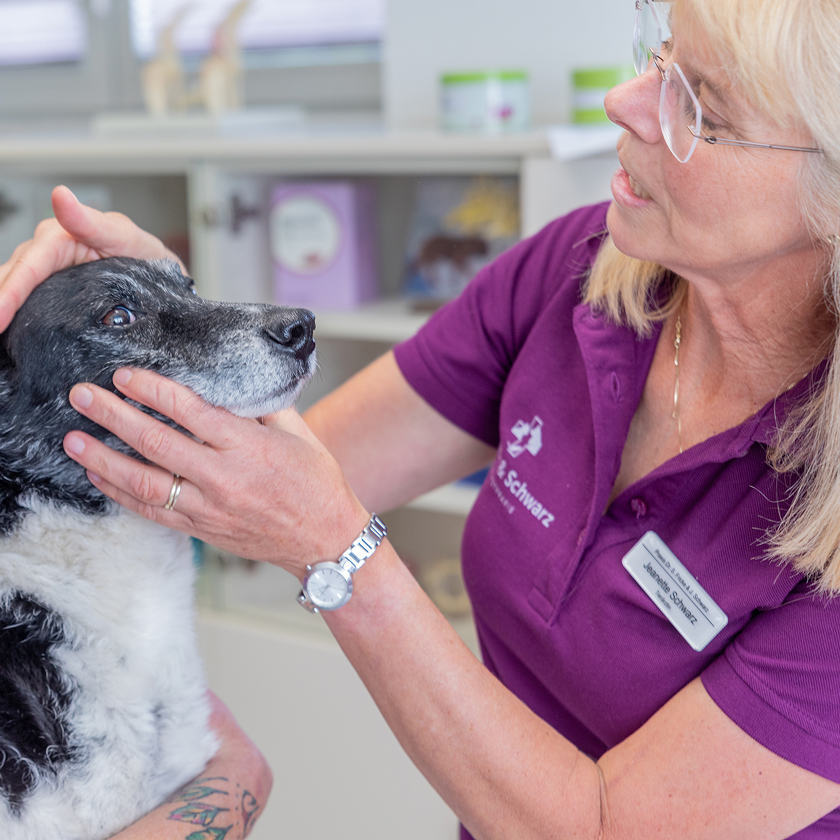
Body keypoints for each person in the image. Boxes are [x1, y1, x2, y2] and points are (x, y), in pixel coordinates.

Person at [2, 0, 840, 835]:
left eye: (699, 104)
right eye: (658, 55)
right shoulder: (578, 274)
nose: (624, 99)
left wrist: (338, 552)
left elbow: (604, 829)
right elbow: (255, 488)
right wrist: (153, 305)